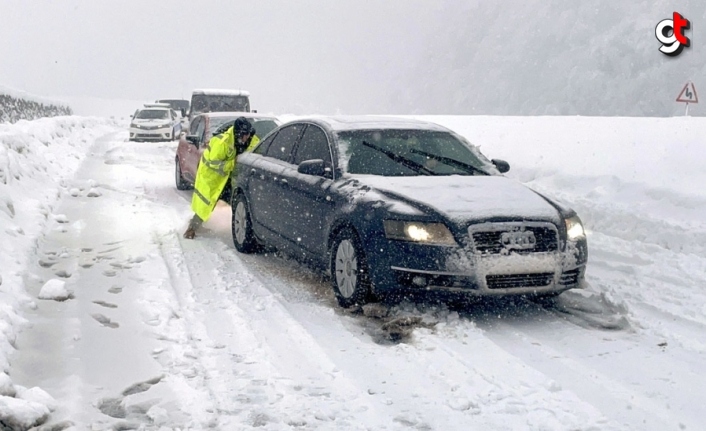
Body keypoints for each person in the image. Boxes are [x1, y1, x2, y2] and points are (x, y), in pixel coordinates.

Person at [183, 117, 259, 239]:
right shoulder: (222, 142)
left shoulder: (252, 139)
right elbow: (213, 163)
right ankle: (192, 228)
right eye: (244, 135)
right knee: (206, 202)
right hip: (211, 176)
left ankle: (243, 228)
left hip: (227, 177)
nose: (246, 138)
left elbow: (256, 150)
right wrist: (232, 163)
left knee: (236, 201)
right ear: (238, 133)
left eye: (248, 134)